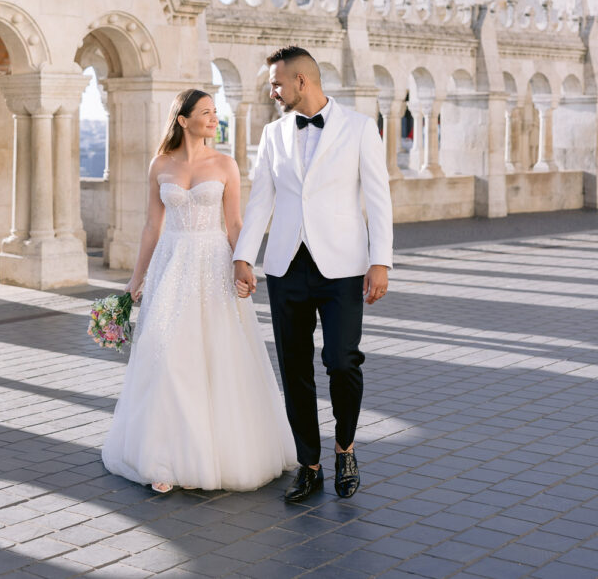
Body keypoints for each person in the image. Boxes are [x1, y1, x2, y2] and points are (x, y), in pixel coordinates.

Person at [102, 88, 295, 494]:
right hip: (170, 266)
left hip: (212, 265)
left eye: (215, 112)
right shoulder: (160, 165)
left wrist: (243, 264)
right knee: (166, 355)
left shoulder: (225, 164)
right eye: (205, 112)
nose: (213, 118)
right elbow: (152, 226)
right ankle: (163, 458)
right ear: (183, 119)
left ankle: (219, 452)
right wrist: (136, 278)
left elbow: (237, 224)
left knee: (214, 356)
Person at [233, 47, 393, 503]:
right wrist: (244, 256)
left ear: (302, 81)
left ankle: (344, 448)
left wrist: (380, 261)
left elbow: (378, 199)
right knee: (295, 368)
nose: (272, 90)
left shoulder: (360, 128)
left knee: (343, 362)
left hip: (343, 266)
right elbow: (261, 199)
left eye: (277, 83)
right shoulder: (272, 134)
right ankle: (310, 464)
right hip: (286, 265)